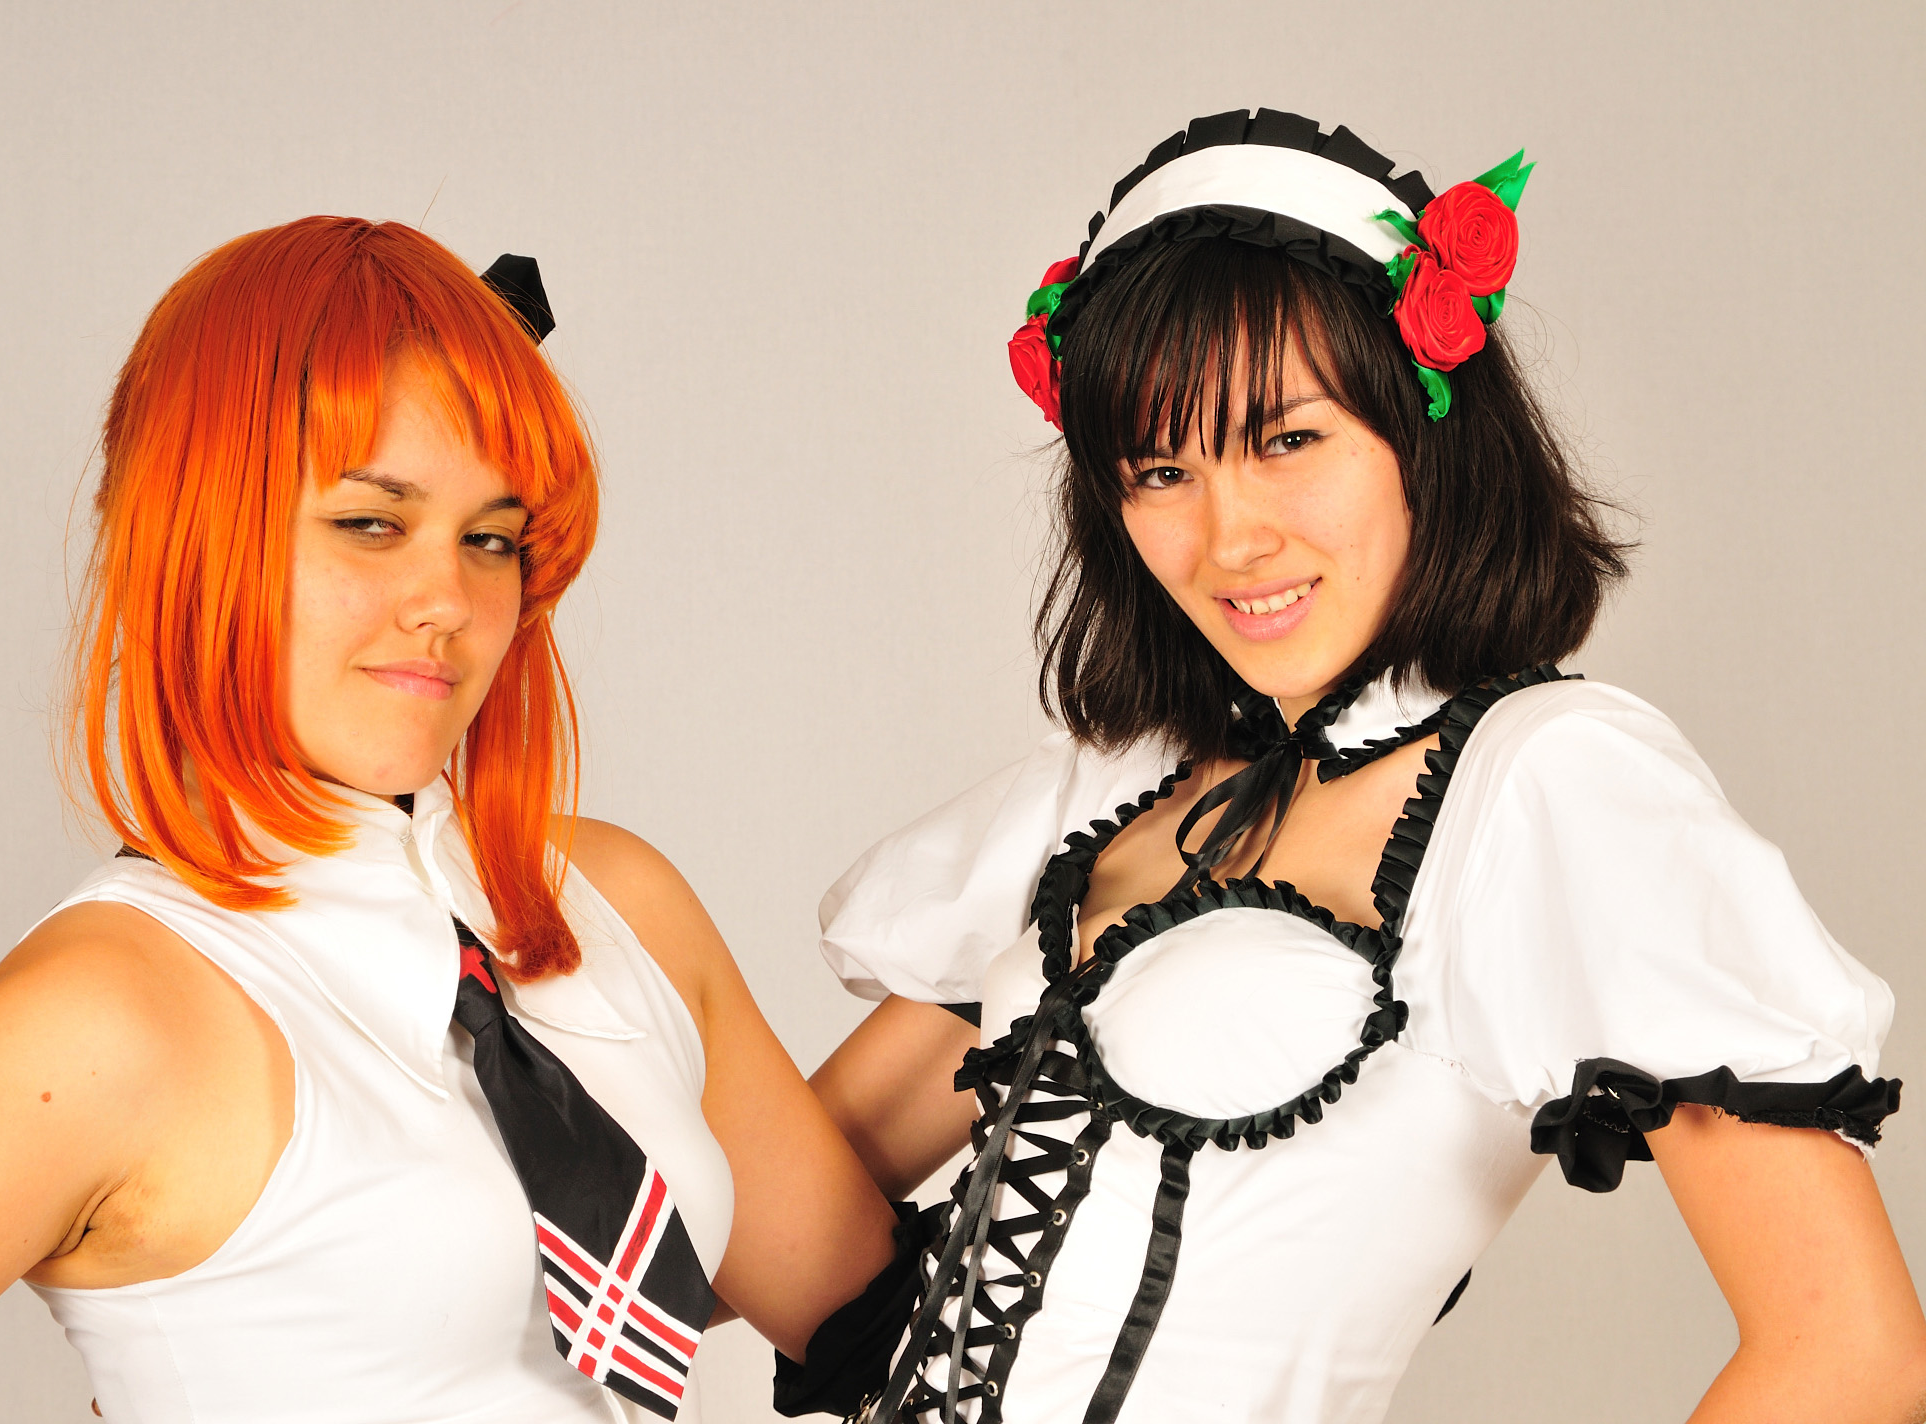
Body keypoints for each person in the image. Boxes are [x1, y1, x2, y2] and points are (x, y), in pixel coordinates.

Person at [798, 109, 1926, 1423]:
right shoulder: (1109, 792)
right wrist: (602, 915)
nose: (1229, 539)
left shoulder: (1544, 779)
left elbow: (1850, 1351)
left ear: (1421, 439)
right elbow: (763, 1211)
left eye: (1287, 440)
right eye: (1160, 471)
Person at [0, 217, 896, 1423]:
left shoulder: (608, 902)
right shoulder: (101, 1018)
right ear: (194, 528)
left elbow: (862, 1307)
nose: (446, 600)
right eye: (370, 522)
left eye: (489, 540)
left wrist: (1040, 898)